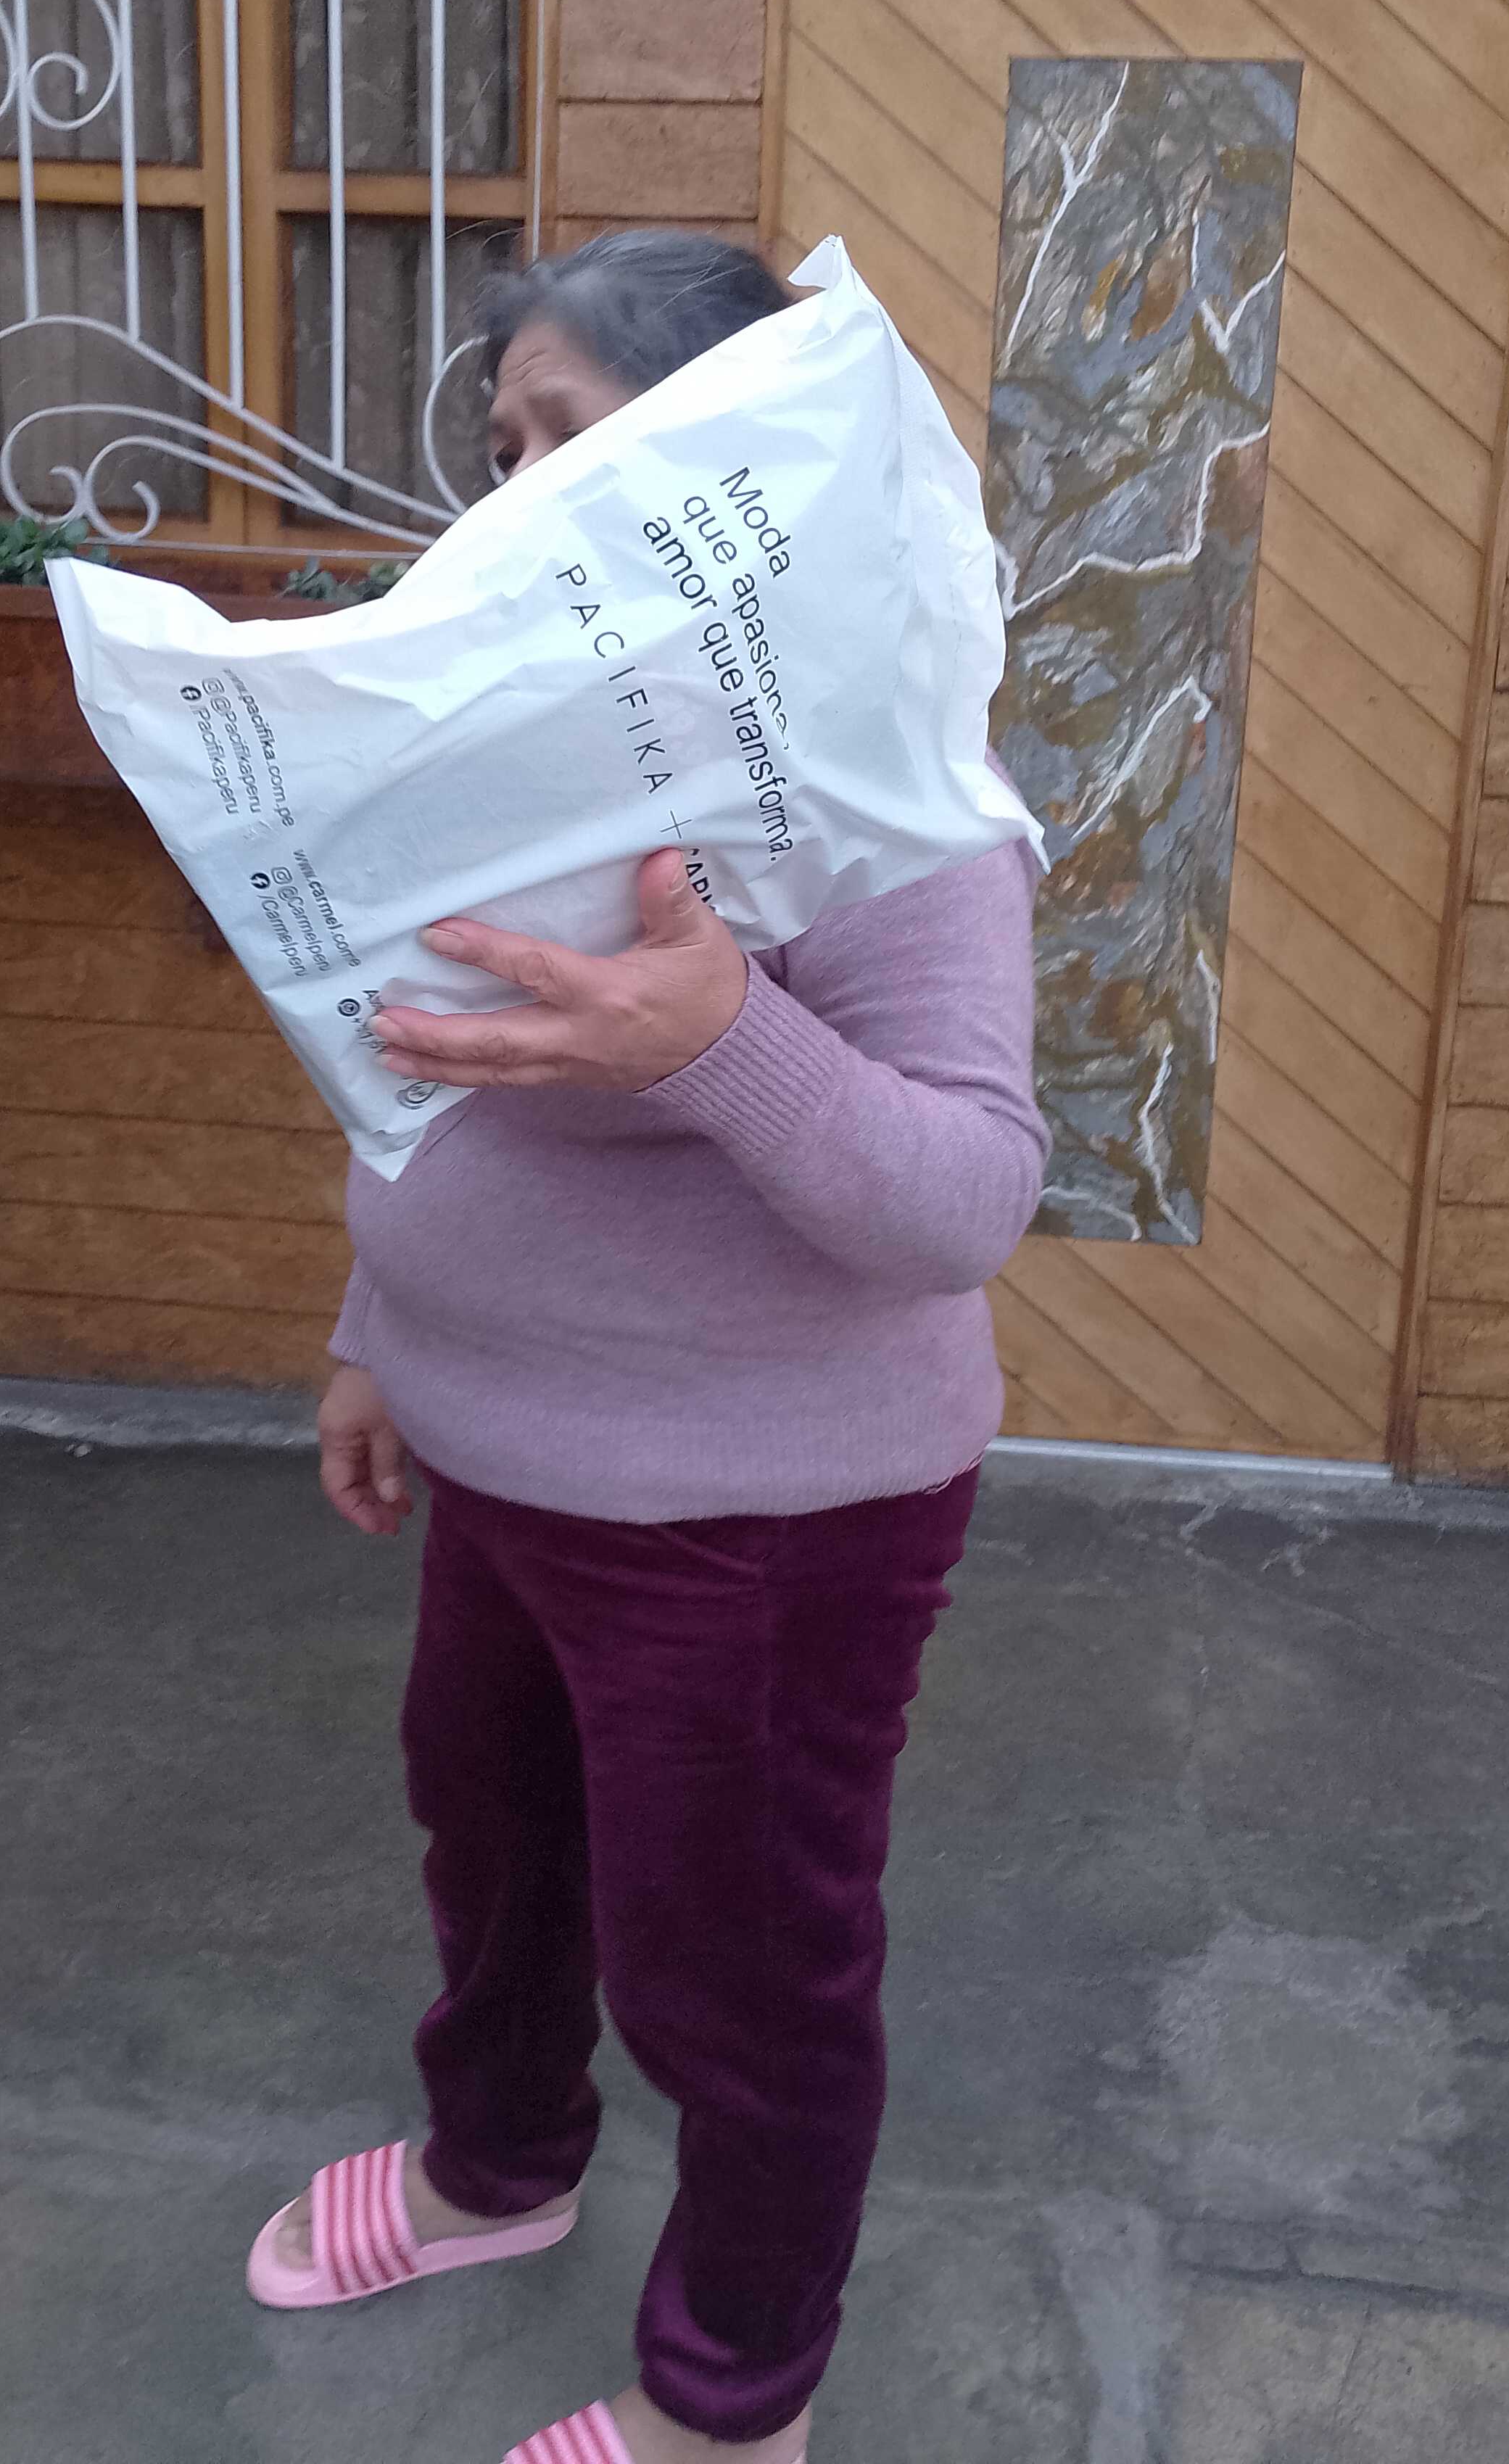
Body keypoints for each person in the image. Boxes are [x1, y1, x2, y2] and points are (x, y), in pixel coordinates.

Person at [246, 230, 1048, 2464]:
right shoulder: (525, 745)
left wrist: (712, 1044)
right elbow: (424, 1084)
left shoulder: (883, 790)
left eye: (569, 437)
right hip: (499, 1456)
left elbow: (963, 1204)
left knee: (743, 1966)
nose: (516, 490)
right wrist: (378, 1332)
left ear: (732, 460)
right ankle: (498, 2167)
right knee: (494, 1846)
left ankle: (731, 2402)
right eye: (500, 446)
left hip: (761, 1527)